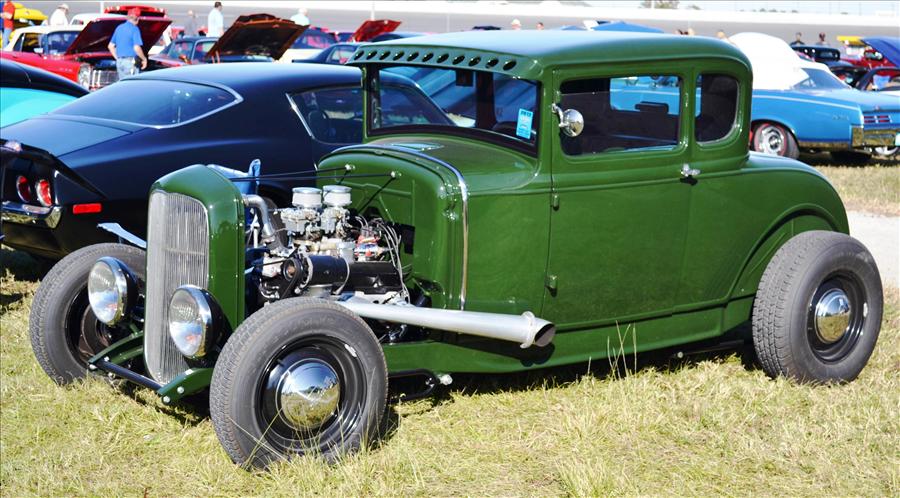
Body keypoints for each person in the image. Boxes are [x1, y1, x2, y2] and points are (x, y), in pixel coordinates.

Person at [108, 9, 147, 80]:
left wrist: (118, 58)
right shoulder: (134, 29)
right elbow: (136, 47)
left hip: (119, 62)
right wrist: (144, 59)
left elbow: (110, 46)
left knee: (123, 84)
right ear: (137, 19)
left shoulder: (119, 28)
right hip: (130, 62)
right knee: (132, 84)